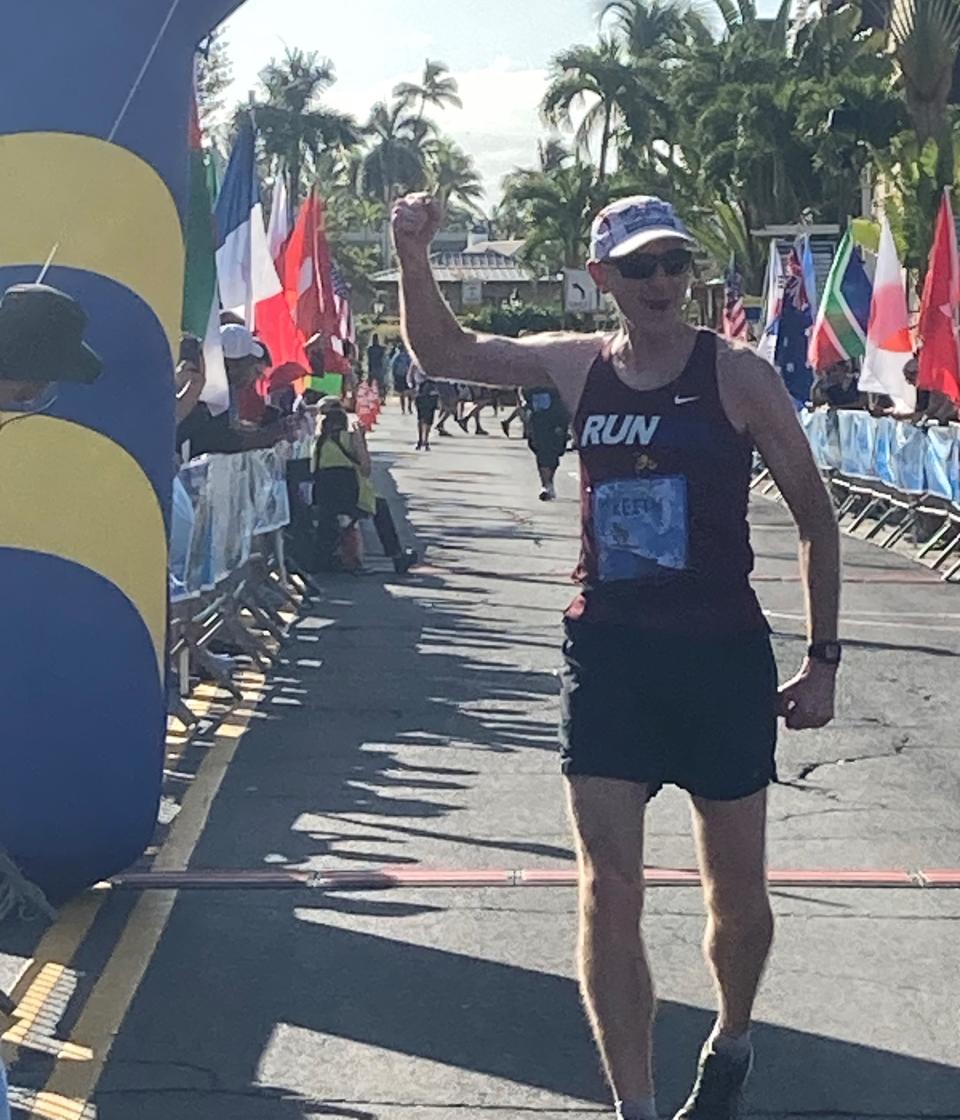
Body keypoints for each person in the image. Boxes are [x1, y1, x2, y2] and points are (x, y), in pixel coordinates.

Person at [393, 192, 840, 1120]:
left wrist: (823, 657)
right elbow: (444, 354)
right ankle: (635, 1105)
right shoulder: (574, 365)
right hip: (609, 655)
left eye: (675, 263)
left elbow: (814, 515)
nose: (663, 283)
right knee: (610, 884)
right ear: (604, 280)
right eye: (640, 268)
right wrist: (411, 251)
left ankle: (734, 1034)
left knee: (739, 901)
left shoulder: (740, 375)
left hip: (720, 655)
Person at [312, 397, 417, 573]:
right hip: (352, 498)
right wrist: (361, 439)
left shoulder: (317, 443)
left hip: (326, 501)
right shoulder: (350, 439)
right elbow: (366, 469)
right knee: (381, 507)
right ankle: (397, 555)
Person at [524, 385, 570, 500]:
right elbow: (524, 392)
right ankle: (545, 485)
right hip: (538, 418)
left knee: (556, 452)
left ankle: (549, 482)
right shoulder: (532, 377)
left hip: (557, 416)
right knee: (541, 451)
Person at [410, 362, 440, 451]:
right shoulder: (415, 362)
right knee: (421, 417)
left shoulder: (436, 363)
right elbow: (410, 376)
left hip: (432, 393)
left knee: (429, 419)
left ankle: (426, 441)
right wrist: (412, 387)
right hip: (420, 392)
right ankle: (420, 440)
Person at [367, 332, 387, 402]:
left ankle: (372, 398)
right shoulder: (381, 349)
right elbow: (383, 359)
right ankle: (381, 399)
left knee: (372, 386)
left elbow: (369, 361)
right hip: (379, 369)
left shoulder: (370, 349)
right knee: (381, 385)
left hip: (372, 369)